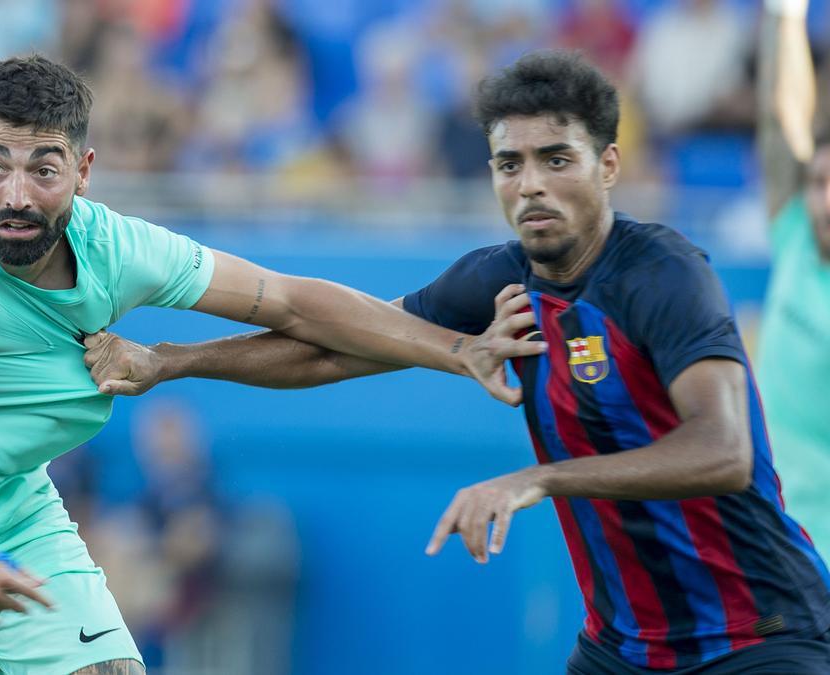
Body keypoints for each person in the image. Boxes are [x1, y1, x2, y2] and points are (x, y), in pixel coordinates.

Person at [0, 54, 541, 675]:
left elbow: (291, 302)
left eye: (42, 169)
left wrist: (455, 350)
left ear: (83, 170)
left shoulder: (122, 251)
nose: (15, 194)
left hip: (17, 514)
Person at [82, 51, 830, 673]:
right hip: (624, 648)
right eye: (509, 163)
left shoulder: (664, 273)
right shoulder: (496, 280)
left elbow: (724, 450)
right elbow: (331, 350)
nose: (529, 183)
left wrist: (536, 478)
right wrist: (174, 361)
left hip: (758, 633)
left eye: (555, 159)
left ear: (608, 165)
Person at [756, 0, 830, 556]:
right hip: (774, 545)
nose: (825, 201)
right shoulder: (798, 237)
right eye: (819, 182)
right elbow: (783, 126)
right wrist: (786, 14)